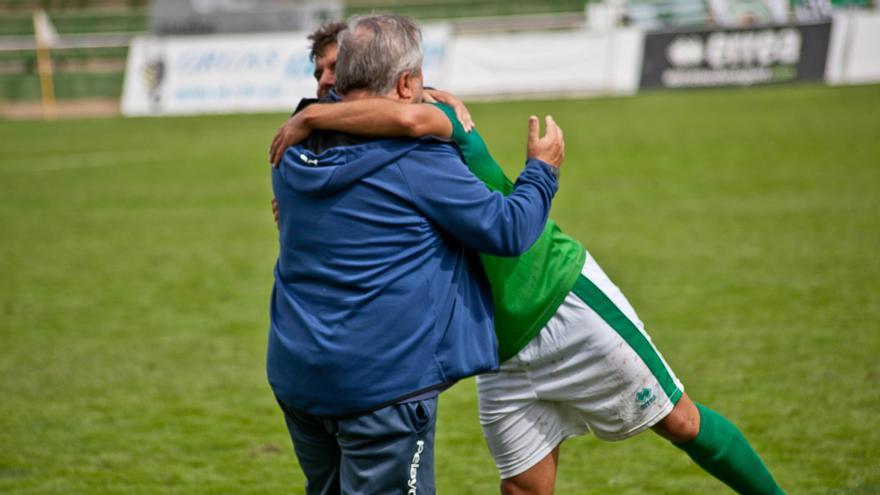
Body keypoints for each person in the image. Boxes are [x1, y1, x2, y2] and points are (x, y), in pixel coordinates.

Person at [268, 20, 786, 495]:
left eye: (336, 69)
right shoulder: (329, 148)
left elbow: (406, 118)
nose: (327, 83)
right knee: (525, 488)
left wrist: (310, 115)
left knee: (681, 422)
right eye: (321, 74)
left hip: (554, 295)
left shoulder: (427, 118)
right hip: (496, 339)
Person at [267, 14, 566, 495]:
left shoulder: (291, 147)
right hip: (382, 388)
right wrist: (541, 172)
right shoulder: (417, 160)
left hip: (298, 373)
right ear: (406, 83)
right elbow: (508, 229)